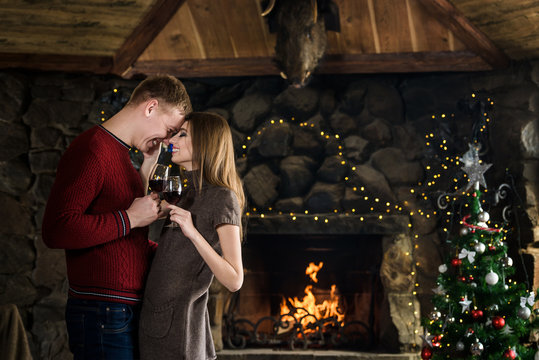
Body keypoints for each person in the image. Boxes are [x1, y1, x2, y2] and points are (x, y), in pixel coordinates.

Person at [41, 74, 192, 360]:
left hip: (120, 310)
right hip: (103, 312)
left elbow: (126, 239)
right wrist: (130, 218)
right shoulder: (92, 149)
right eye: (169, 129)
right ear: (150, 107)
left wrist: (147, 169)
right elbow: (56, 229)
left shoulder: (121, 155)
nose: (168, 139)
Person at [138, 112, 246, 360]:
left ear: (206, 143)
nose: (172, 139)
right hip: (152, 320)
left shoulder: (222, 197)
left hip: (180, 329)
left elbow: (234, 280)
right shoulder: (181, 190)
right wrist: (148, 163)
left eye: (183, 134)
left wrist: (193, 233)